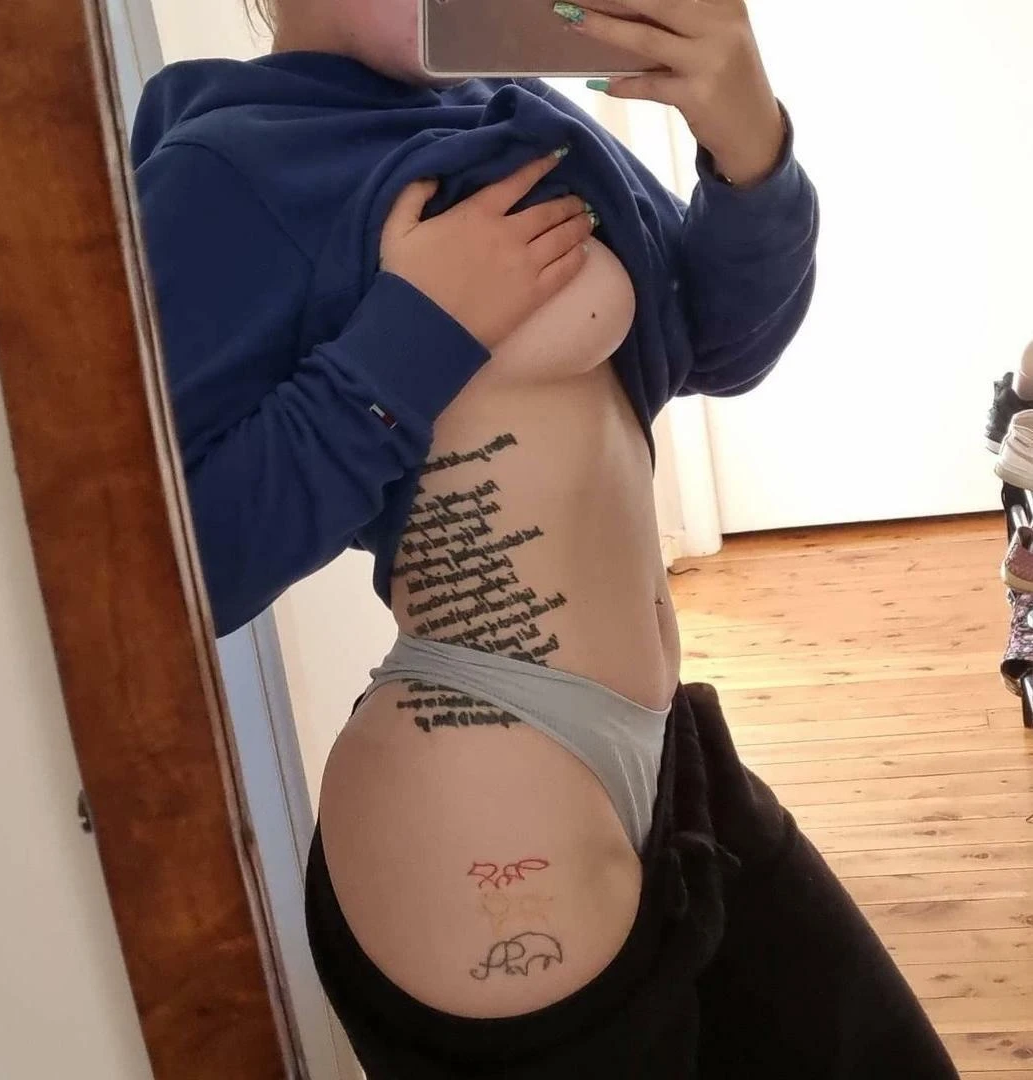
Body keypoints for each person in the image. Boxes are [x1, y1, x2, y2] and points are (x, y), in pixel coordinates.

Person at [131, 0, 959, 1075]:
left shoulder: (523, 114)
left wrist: (750, 152)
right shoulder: (227, 171)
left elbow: (720, 344)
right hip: (476, 783)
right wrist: (414, 331)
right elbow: (169, 583)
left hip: (669, 746)